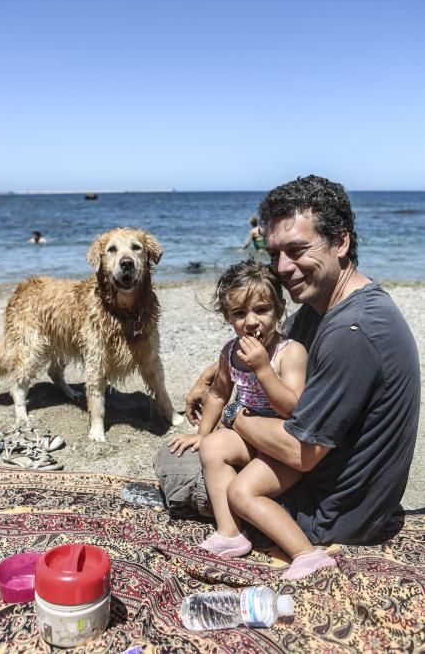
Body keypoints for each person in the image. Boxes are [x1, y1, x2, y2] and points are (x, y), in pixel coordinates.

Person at [155, 175, 420, 563]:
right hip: (335, 489)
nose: (282, 267)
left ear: (341, 242)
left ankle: (269, 541)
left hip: (327, 513)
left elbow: (300, 453)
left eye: (297, 250)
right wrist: (211, 376)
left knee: (173, 462)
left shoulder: (353, 332)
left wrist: (231, 414)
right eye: (274, 252)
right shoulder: (326, 306)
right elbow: (266, 347)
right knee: (203, 447)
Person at [168, 259, 336, 577]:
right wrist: (202, 434)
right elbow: (218, 395)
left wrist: (262, 369)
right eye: (239, 314)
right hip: (250, 436)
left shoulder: (290, 352)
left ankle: (306, 554)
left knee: (241, 492)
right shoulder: (230, 352)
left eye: (261, 310)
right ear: (227, 317)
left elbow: (295, 408)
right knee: (212, 448)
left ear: (279, 309)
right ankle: (231, 533)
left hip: (285, 445)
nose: (251, 321)